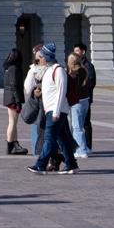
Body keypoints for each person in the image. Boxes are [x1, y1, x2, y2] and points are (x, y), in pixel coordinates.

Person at [31, 42, 80, 175]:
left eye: (41, 57)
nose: (39, 59)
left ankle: (40, 164)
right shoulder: (49, 70)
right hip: (51, 110)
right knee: (62, 139)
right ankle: (71, 165)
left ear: (46, 57)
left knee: (49, 138)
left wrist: (56, 112)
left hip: (56, 111)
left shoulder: (59, 70)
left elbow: (61, 92)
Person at [68, 43, 97, 159]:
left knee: (78, 126)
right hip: (84, 99)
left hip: (79, 100)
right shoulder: (83, 69)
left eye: (77, 51)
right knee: (80, 125)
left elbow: (90, 83)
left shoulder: (80, 70)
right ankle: (83, 147)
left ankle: (82, 149)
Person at [1, 47, 27, 154]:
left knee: (13, 122)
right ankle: (10, 145)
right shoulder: (14, 68)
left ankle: (15, 144)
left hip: (9, 97)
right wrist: (17, 101)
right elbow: (14, 85)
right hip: (13, 98)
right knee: (12, 122)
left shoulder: (8, 68)